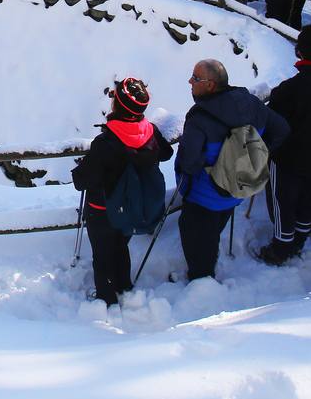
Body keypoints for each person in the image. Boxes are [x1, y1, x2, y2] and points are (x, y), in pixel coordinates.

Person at [173, 59, 289, 282]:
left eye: (196, 78)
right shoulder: (251, 104)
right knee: (212, 231)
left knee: (194, 235)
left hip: (205, 195)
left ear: (210, 85)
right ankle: (206, 265)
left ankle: (201, 282)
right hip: (237, 189)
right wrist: (257, 156)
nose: (190, 81)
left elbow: (190, 163)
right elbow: (281, 129)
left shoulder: (199, 119)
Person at [70, 78, 172, 305]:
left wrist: (79, 169)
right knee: (120, 246)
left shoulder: (106, 142)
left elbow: (83, 179)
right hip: (132, 206)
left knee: (103, 254)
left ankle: (107, 299)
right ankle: (124, 286)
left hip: (103, 209)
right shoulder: (150, 132)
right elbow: (165, 153)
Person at [256, 27, 311, 265]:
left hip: (287, 153)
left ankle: (281, 247)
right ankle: (299, 237)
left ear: (300, 52)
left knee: (282, 198)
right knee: (306, 194)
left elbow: (272, 122)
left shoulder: (289, 89)